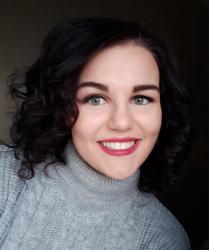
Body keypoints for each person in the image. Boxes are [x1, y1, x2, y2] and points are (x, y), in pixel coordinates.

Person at [0, 17, 193, 249]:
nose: (121, 123)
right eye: (96, 98)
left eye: (141, 99)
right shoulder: (4, 177)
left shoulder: (166, 239)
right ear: (61, 106)